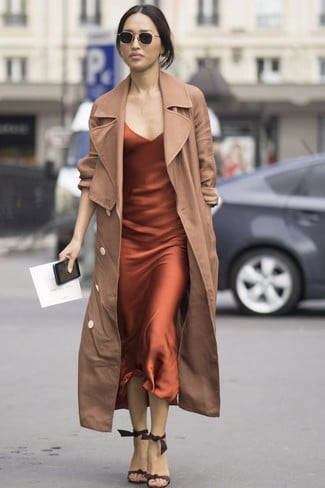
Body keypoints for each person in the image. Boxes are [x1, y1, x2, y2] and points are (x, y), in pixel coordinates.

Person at [59, 4, 220, 487]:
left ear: (163, 47)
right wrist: (74, 240)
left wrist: (201, 233)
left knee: (158, 337)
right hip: (122, 242)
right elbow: (92, 180)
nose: (135, 45)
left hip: (172, 240)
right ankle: (137, 442)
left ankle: (158, 443)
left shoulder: (189, 99)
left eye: (145, 38)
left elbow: (206, 176)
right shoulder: (105, 106)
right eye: (126, 37)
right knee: (128, 345)